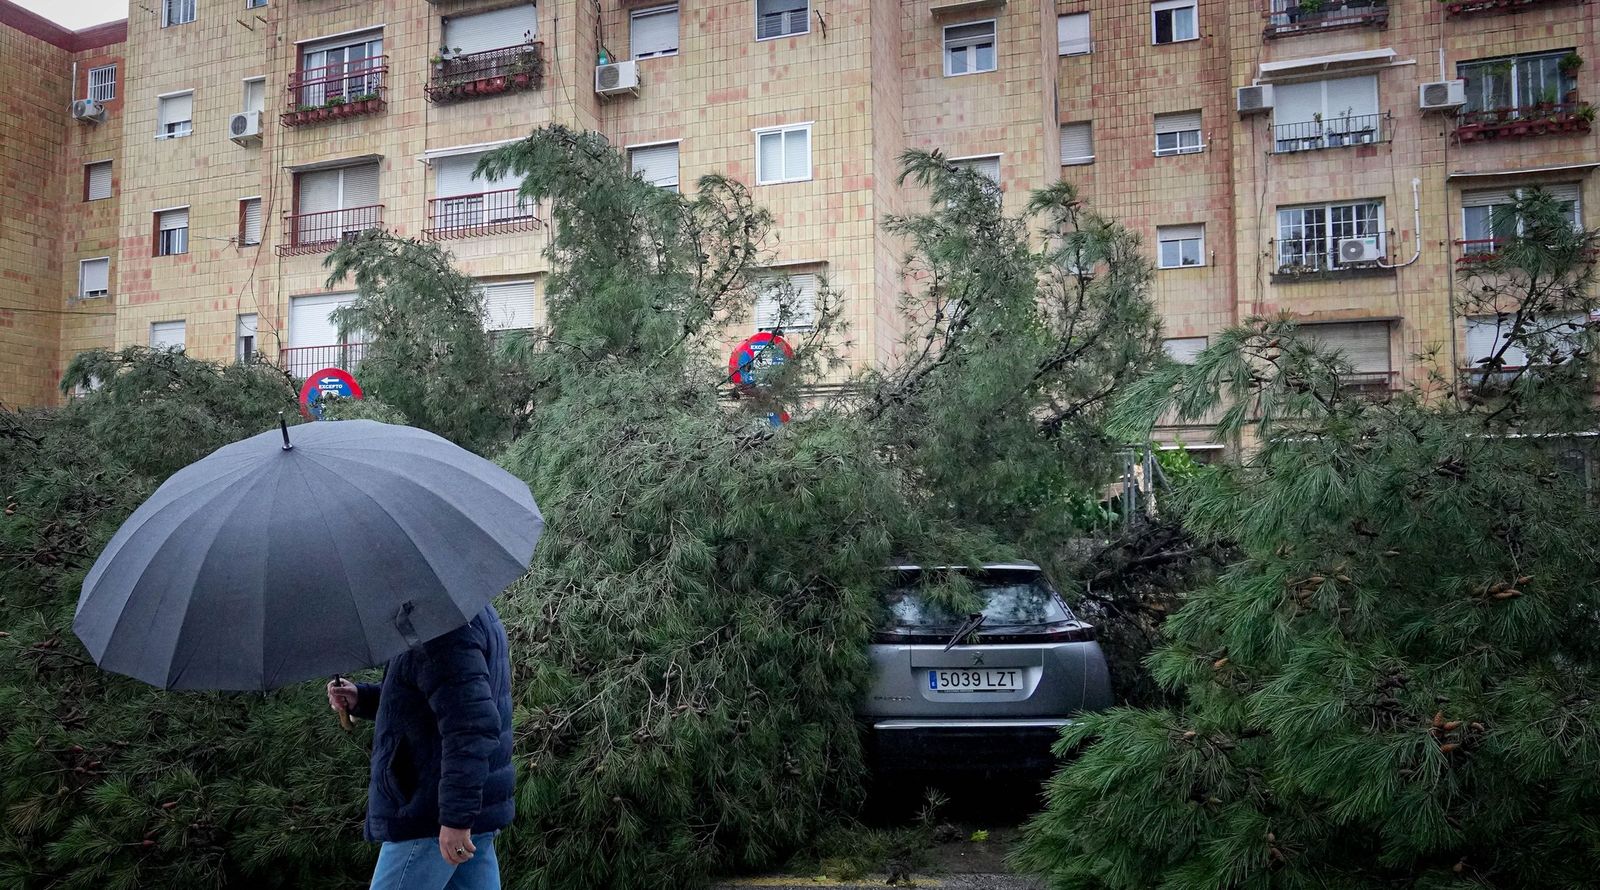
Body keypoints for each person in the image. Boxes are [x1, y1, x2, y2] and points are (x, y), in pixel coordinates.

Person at [327, 604, 515, 890]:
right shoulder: (460, 612)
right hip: (459, 811)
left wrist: (454, 819)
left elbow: (470, 725)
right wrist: (361, 698)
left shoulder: (439, 629)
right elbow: (428, 702)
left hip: (430, 815)